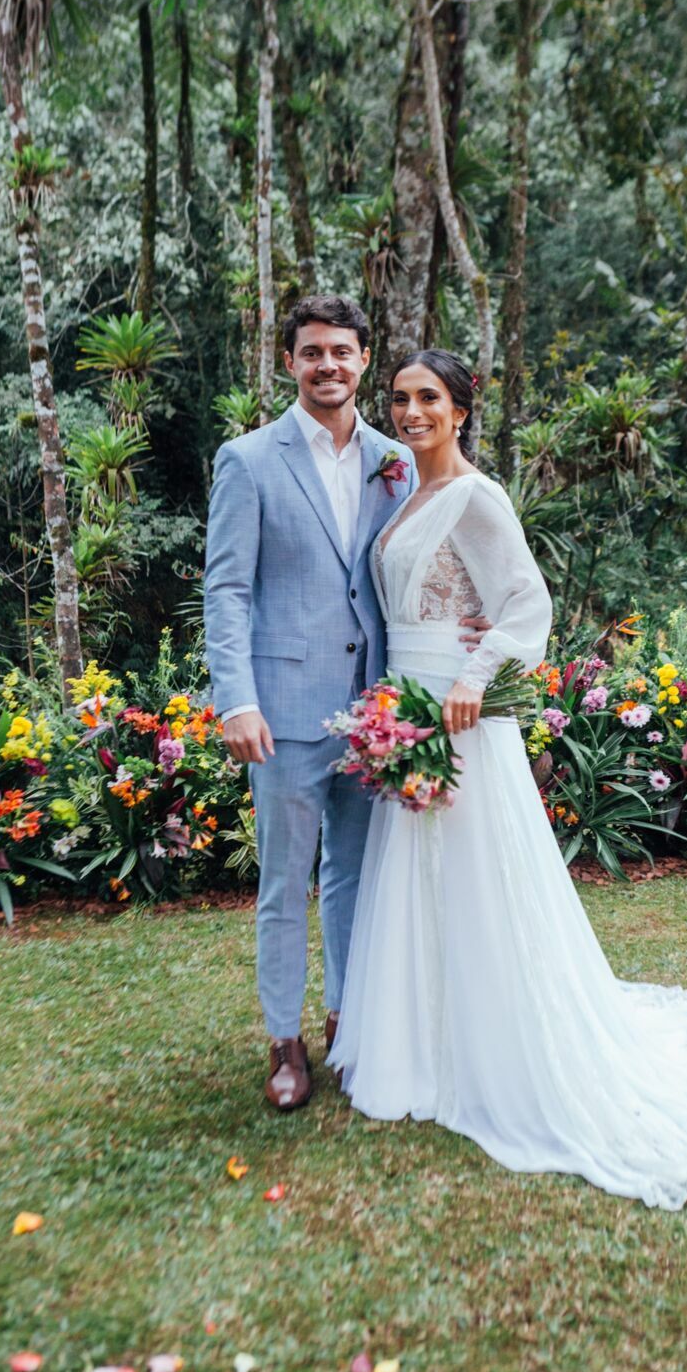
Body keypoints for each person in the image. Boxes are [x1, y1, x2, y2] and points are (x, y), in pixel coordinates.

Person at [329, 348, 687, 1208]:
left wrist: (473, 680)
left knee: (475, 883)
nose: (410, 410)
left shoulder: (476, 494)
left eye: (428, 397)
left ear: (461, 409)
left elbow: (525, 605)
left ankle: (497, 1053)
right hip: (406, 708)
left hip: (462, 717)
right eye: (398, 397)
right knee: (416, 879)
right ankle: (421, 1048)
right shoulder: (402, 494)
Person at [203, 297, 486, 1112]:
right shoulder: (247, 460)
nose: (327, 364)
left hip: (377, 717)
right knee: (286, 883)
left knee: (361, 880)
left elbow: (432, 557)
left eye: (342, 351)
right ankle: (284, 1043)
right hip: (283, 713)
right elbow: (225, 589)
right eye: (310, 352)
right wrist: (235, 702)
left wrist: (468, 620)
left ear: (364, 361)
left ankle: (349, 1027)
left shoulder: (400, 458)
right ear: (288, 362)